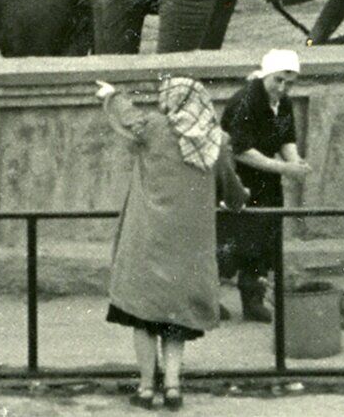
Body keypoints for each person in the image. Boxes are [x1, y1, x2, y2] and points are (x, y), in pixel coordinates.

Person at [96, 76, 249, 410]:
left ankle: (147, 388)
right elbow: (232, 190)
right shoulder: (215, 141)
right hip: (189, 247)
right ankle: (175, 387)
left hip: (147, 241)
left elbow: (128, 116)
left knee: (143, 315)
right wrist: (239, 198)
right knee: (177, 317)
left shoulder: (154, 129)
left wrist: (110, 94)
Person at [216, 49, 312, 322]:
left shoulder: (284, 103)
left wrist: (296, 161)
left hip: (267, 182)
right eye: (278, 80)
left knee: (264, 240)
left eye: (289, 83)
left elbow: (286, 138)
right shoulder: (245, 101)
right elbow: (240, 150)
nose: (283, 88)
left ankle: (253, 300)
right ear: (265, 75)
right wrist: (284, 167)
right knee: (228, 242)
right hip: (236, 180)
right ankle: (209, 299)